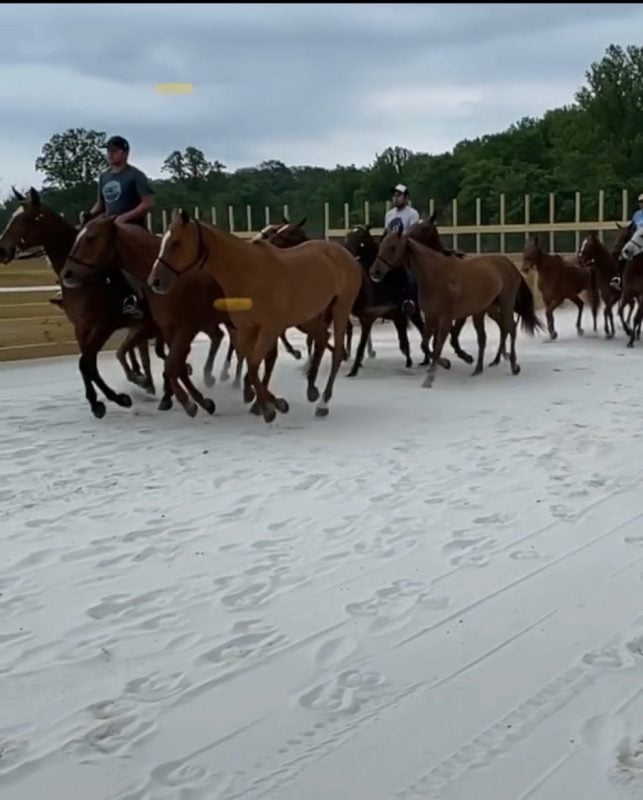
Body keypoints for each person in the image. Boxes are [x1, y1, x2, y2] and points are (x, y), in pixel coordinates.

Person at [52, 135, 155, 318]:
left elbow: (147, 203)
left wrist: (123, 218)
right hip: (108, 228)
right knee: (82, 250)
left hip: (131, 228)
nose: (110, 155)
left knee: (123, 263)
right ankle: (71, 287)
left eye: (114, 151)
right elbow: (101, 205)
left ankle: (135, 299)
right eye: (108, 151)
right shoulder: (104, 177)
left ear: (125, 152)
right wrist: (88, 216)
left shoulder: (135, 176)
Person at [384, 183, 420, 315]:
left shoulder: (412, 214)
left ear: (406, 197)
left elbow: (412, 233)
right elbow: (387, 233)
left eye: (399, 195)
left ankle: (411, 301)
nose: (396, 198)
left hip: (407, 251)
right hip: (391, 252)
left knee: (409, 275)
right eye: (394, 195)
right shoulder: (389, 215)